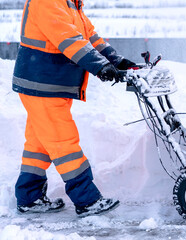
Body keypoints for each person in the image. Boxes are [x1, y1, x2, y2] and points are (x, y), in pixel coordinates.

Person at [12, 0, 135, 216]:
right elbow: (69, 39)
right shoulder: (47, 2)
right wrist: (100, 67)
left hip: (50, 85)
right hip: (42, 84)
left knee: (39, 144)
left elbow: (90, 38)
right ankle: (86, 200)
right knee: (63, 142)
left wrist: (118, 61)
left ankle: (29, 197)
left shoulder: (70, 4)